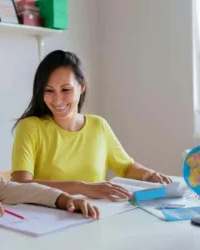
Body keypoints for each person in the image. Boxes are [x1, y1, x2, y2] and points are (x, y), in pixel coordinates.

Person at [11, 50, 172, 202]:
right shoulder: (30, 127)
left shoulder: (98, 125)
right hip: (48, 219)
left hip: (94, 216)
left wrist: (149, 175)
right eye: (49, 90)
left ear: (81, 87)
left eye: (66, 89)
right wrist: (81, 187)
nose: (57, 99)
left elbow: (125, 167)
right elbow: (20, 185)